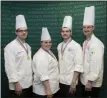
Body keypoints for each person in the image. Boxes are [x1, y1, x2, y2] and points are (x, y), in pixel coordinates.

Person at [4, 14, 33, 97]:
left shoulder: (28, 46)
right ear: (16, 32)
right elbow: (10, 66)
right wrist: (16, 83)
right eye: (20, 31)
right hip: (18, 86)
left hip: (29, 84)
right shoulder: (10, 47)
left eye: (25, 30)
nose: (24, 32)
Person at [80, 6, 104, 98]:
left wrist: (90, 81)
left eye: (88, 27)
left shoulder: (96, 44)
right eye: (84, 27)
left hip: (92, 83)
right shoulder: (85, 42)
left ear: (93, 28)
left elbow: (96, 64)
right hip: (85, 80)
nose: (86, 29)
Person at [57, 16, 83, 97]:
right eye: (63, 31)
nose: (65, 33)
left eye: (67, 31)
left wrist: (73, 82)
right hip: (60, 81)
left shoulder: (76, 46)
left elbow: (78, 65)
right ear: (61, 33)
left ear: (71, 32)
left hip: (70, 82)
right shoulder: (59, 46)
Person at [32, 27, 59, 98]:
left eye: (50, 42)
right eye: (46, 42)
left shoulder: (48, 51)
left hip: (50, 89)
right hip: (43, 92)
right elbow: (43, 75)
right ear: (41, 43)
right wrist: (48, 90)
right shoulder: (41, 55)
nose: (48, 44)